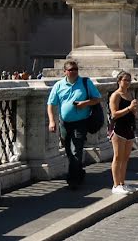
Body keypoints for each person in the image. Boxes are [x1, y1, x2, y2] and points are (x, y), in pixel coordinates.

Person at [46, 60, 102, 190]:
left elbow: (98, 98)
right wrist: (52, 121)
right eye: (71, 69)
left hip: (80, 122)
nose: (74, 71)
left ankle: (73, 180)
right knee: (68, 152)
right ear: (65, 71)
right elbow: (51, 104)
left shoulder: (85, 82)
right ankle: (79, 172)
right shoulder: (59, 85)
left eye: (76, 69)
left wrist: (85, 103)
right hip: (64, 124)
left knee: (76, 150)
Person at [109, 71, 138, 195]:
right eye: (125, 80)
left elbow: (132, 110)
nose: (127, 82)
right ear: (119, 81)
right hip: (118, 128)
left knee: (125, 158)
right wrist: (129, 108)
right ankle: (115, 184)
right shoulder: (116, 95)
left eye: (129, 80)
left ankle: (122, 183)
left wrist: (134, 112)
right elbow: (114, 114)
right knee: (118, 156)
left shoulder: (130, 94)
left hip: (129, 127)